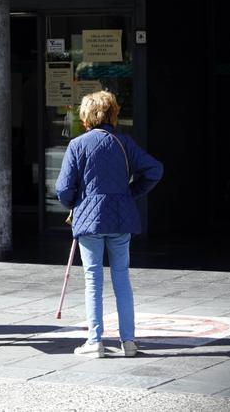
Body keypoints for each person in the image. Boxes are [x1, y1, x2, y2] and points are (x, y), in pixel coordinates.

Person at [57, 91, 162, 358]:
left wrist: (75, 203)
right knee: (121, 278)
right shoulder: (123, 142)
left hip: (90, 219)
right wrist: (130, 193)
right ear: (113, 113)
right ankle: (128, 341)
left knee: (93, 280)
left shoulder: (78, 145)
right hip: (120, 216)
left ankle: (95, 341)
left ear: (86, 115)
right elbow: (154, 170)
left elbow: (63, 188)